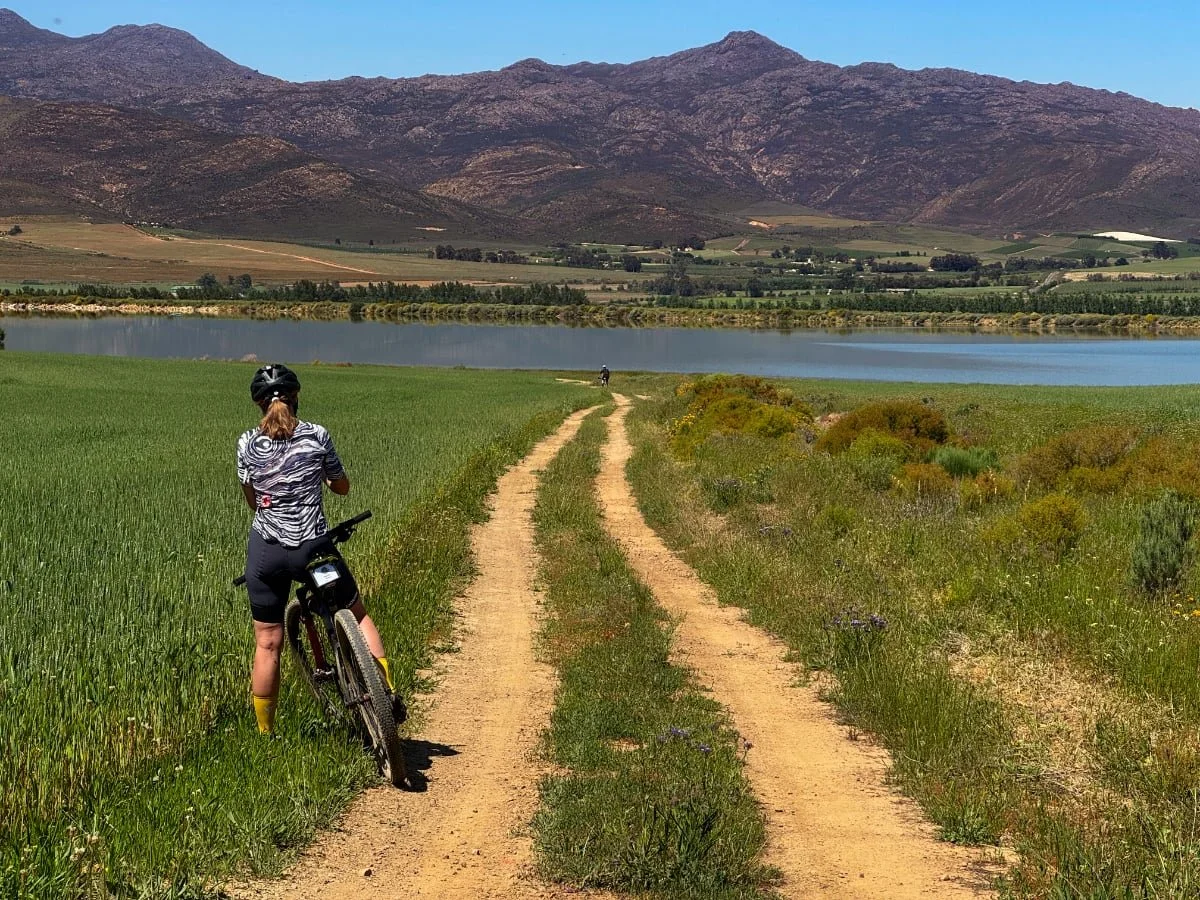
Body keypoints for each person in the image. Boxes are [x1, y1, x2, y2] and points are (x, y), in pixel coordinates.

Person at [236, 363, 402, 733]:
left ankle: (265, 735)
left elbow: (253, 500)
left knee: (267, 643)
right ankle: (386, 695)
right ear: (296, 398)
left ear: (259, 405)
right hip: (314, 547)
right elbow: (341, 487)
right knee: (356, 614)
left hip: (267, 552)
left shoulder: (246, 443)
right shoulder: (317, 435)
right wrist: (323, 477)